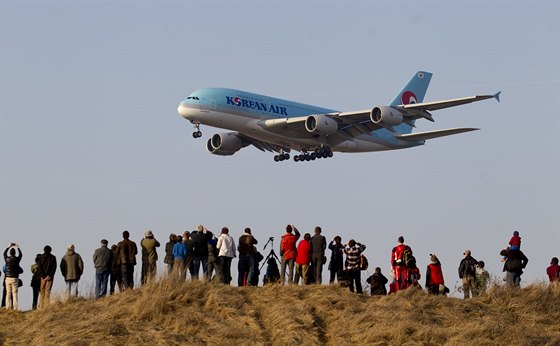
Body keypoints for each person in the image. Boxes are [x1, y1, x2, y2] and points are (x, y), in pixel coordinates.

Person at [4, 243, 22, 310]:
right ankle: (15, 308)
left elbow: (4, 253)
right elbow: (20, 255)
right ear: (14, 253)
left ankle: (7, 307)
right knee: (15, 294)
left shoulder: (7, 259)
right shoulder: (17, 260)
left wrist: (8, 247)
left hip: (8, 277)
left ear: (10, 253)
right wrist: (18, 247)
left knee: (8, 293)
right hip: (15, 278)